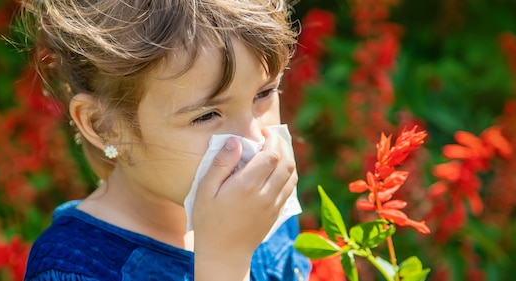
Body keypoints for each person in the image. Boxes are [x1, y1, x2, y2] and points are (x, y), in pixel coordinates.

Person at [18, 0, 311, 280]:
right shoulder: (74, 267)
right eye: (206, 115)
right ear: (103, 126)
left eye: (264, 93)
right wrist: (223, 262)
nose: (254, 137)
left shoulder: (259, 207)